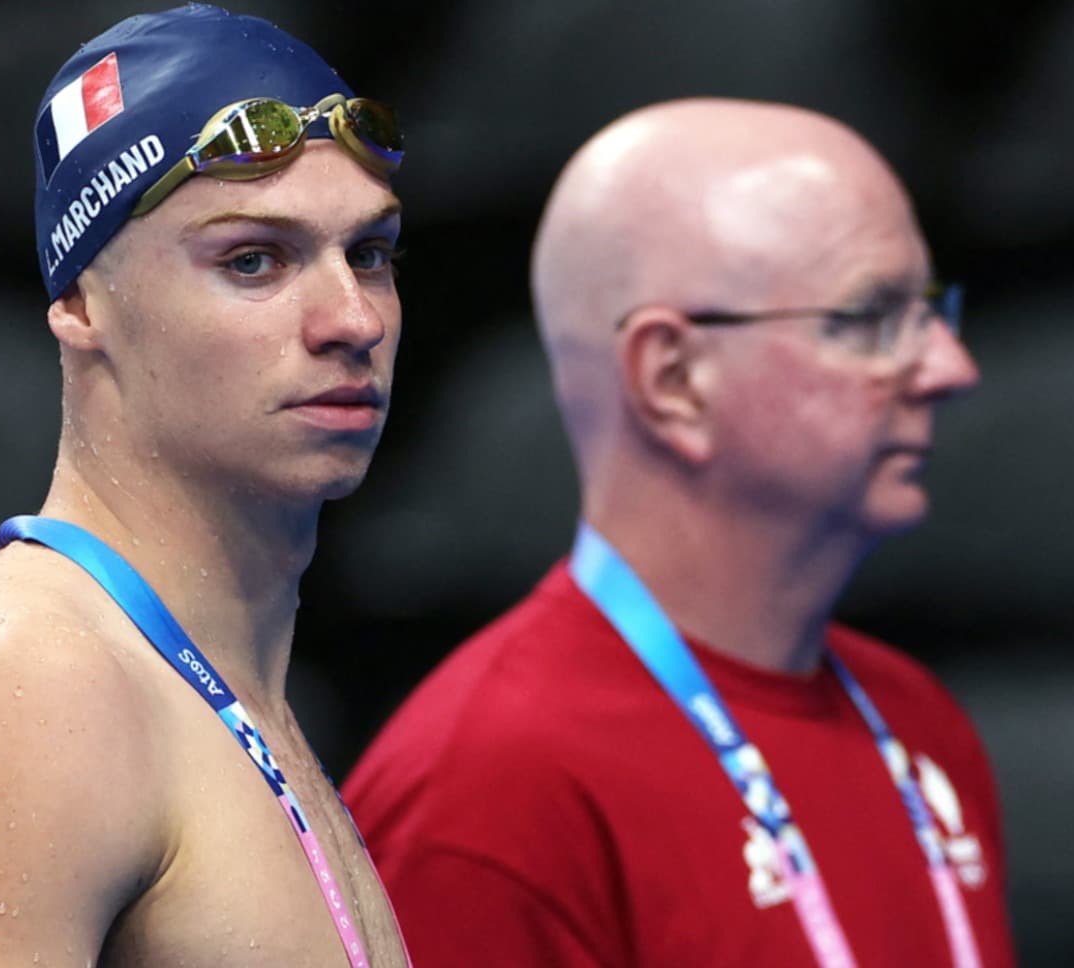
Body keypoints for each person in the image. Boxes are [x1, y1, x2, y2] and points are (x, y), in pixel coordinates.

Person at [344, 98, 1019, 967]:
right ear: (674, 379)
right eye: (870, 320)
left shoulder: (917, 721)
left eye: (929, 311)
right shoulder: (484, 792)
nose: (949, 368)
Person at [0, 4, 410, 968]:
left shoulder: (215, 680)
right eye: (253, 260)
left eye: (370, 254)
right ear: (83, 302)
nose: (351, 318)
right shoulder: (29, 689)